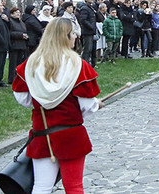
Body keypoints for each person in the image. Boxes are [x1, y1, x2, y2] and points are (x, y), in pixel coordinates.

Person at [12, 17, 102, 194]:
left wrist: (40, 100)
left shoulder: (32, 63)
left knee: (41, 187)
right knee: (74, 186)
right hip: (71, 135)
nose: (75, 37)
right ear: (65, 37)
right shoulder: (77, 64)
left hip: (42, 133)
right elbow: (87, 105)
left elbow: (22, 97)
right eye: (73, 34)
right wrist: (96, 104)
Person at [8, 6, 30, 84]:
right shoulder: (10, 22)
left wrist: (26, 36)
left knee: (20, 63)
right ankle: (11, 78)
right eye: (16, 13)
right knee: (13, 63)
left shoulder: (21, 23)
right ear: (12, 14)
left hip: (22, 45)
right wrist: (21, 35)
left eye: (19, 12)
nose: (18, 14)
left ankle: (18, 77)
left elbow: (25, 31)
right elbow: (10, 33)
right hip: (14, 45)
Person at [76, 0, 97, 66]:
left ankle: (87, 64)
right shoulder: (84, 8)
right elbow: (83, 20)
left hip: (90, 31)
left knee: (90, 49)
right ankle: (84, 65)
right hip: (87, 32)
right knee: (87, 50)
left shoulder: (90, 7)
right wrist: (91, 26)